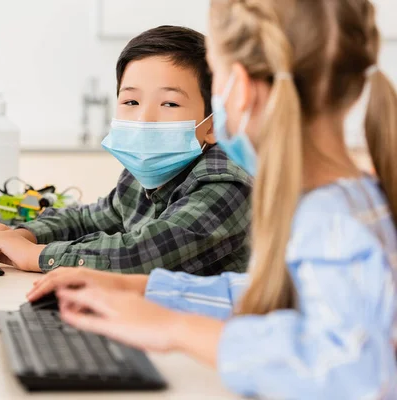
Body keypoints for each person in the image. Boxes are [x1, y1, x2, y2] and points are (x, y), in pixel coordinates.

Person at [27, 0, 397, 397]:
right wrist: (143, 292)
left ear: (236, 90)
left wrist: (174, 328)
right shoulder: (346, 199)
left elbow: (350, 374)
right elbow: (270, 299)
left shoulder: (329, 222)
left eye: (216, 78)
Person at [0, 26, 252, 275]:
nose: (143, 119)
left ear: (213, 126)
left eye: (169, 104)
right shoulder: (142, 176)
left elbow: (141, 255)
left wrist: (35, 255)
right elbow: (87, 219)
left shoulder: (225, 184)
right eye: (131, 102)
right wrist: (23, 233)